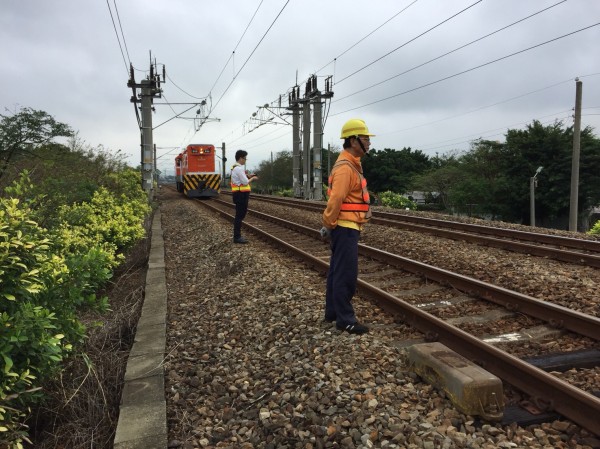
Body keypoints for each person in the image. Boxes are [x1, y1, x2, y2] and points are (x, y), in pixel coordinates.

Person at [320, 119, 374, 335]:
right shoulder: (345, 168)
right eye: (366, 138)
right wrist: (329, 224)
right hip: (345, 226)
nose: (369, 143)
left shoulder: (351, 164)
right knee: (346, 274)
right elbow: (336, 199)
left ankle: (332, 313)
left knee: (336, 271)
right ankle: (345, 320)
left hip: (348, 225)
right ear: (353, 141)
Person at [230, 149, 258, 243]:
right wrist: (253, 178)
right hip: (241, 195)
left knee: (240, 215)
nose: (245, 160)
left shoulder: (235, 168)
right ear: (241, 158)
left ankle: (237, 236)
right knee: (239, 216)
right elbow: (245, 182)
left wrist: (248, 176)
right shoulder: (238, 168)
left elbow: (242, 179)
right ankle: (237, 237)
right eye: (245, 158)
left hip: (239, 194)